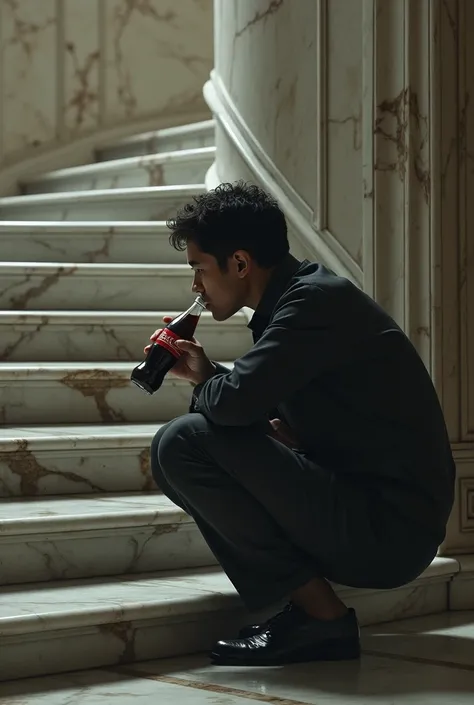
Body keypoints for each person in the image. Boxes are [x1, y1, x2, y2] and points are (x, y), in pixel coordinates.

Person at [149, 181, 455, 667]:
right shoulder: (300, 301)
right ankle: (311, 612)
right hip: (367, 507)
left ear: (241, 263)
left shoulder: (312, 303)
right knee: (177, 449)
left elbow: (230, 406)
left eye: (199, 269)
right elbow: (254, 410)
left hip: (389, 530)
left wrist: (210, 383)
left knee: (182, 441)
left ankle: (323, 621)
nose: (196, 288)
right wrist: (215, 384)